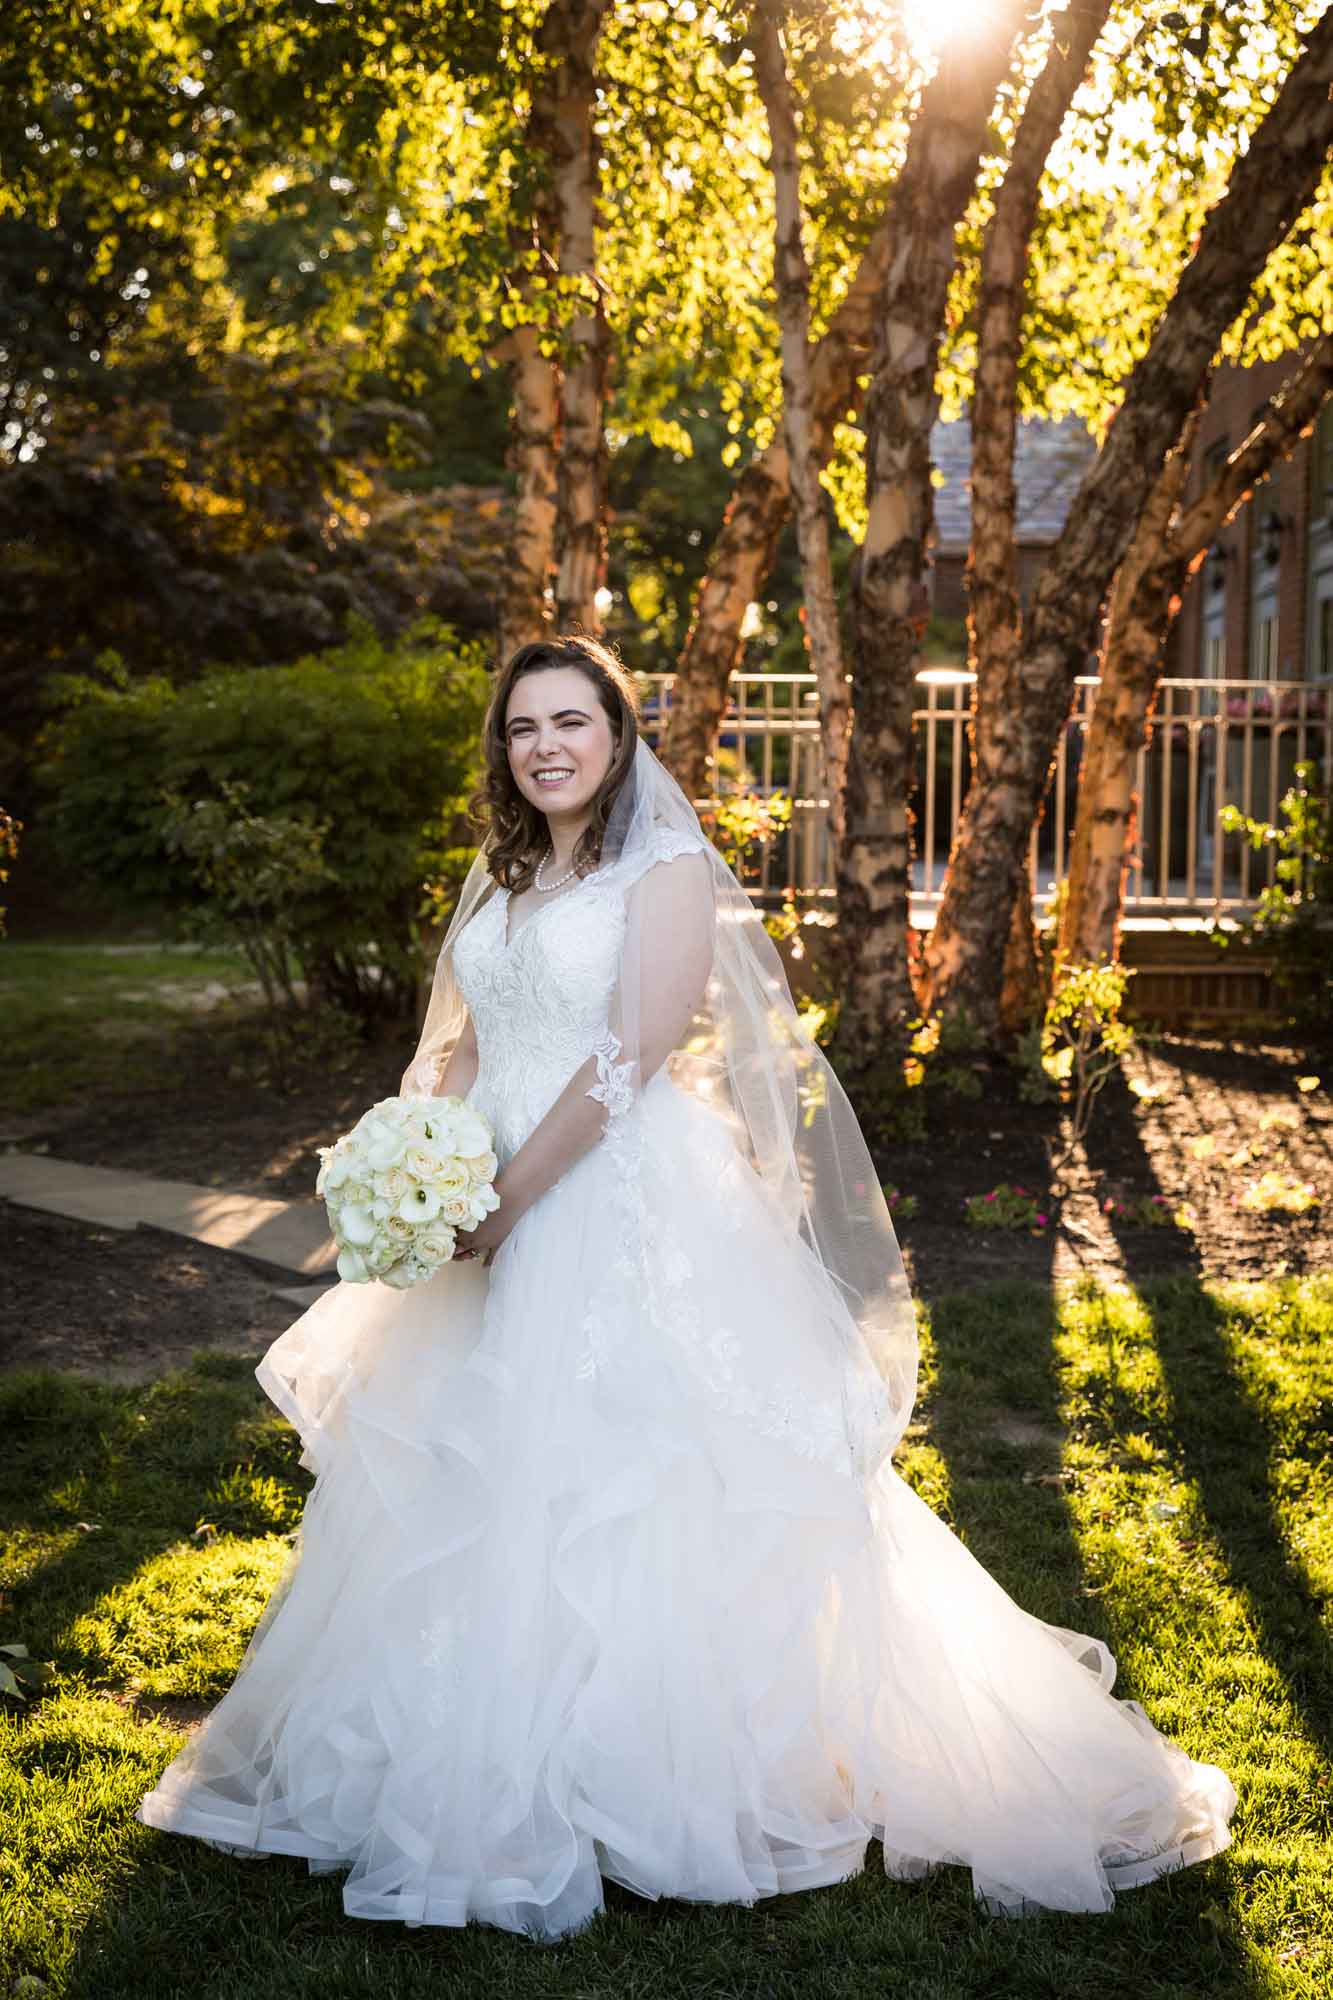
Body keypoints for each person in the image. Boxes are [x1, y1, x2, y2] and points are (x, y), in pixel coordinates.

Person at [136, 633, 1236, 1941]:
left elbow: (630, 1055)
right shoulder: (505, 876)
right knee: (465, 1480)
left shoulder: (659, 872)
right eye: (521, 727)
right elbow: (464, 1038)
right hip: (482, 1196)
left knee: (635, 1481)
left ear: (616, 741)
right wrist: (416, 1148)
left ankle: (661, 1775)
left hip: (607, 1201)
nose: (543, 746)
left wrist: (502, 1200)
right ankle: (461, 1754)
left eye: (569, 723)